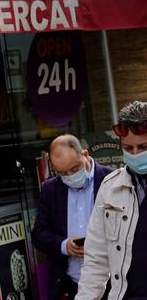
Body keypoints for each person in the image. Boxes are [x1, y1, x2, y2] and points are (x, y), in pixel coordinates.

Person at [76, 101, 147, 300]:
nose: (135, 154)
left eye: (143, 147)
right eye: (128, 148)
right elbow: (96, 259)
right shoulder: (110, 187)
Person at [32, 134, 113, 300]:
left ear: (85, 155)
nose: (70, 176)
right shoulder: (50, 189)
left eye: (75, 169)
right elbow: (38, 234)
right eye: (62, 173)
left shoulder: (111, 180)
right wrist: (64, 245)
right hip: (69, 285)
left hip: (112, 283)